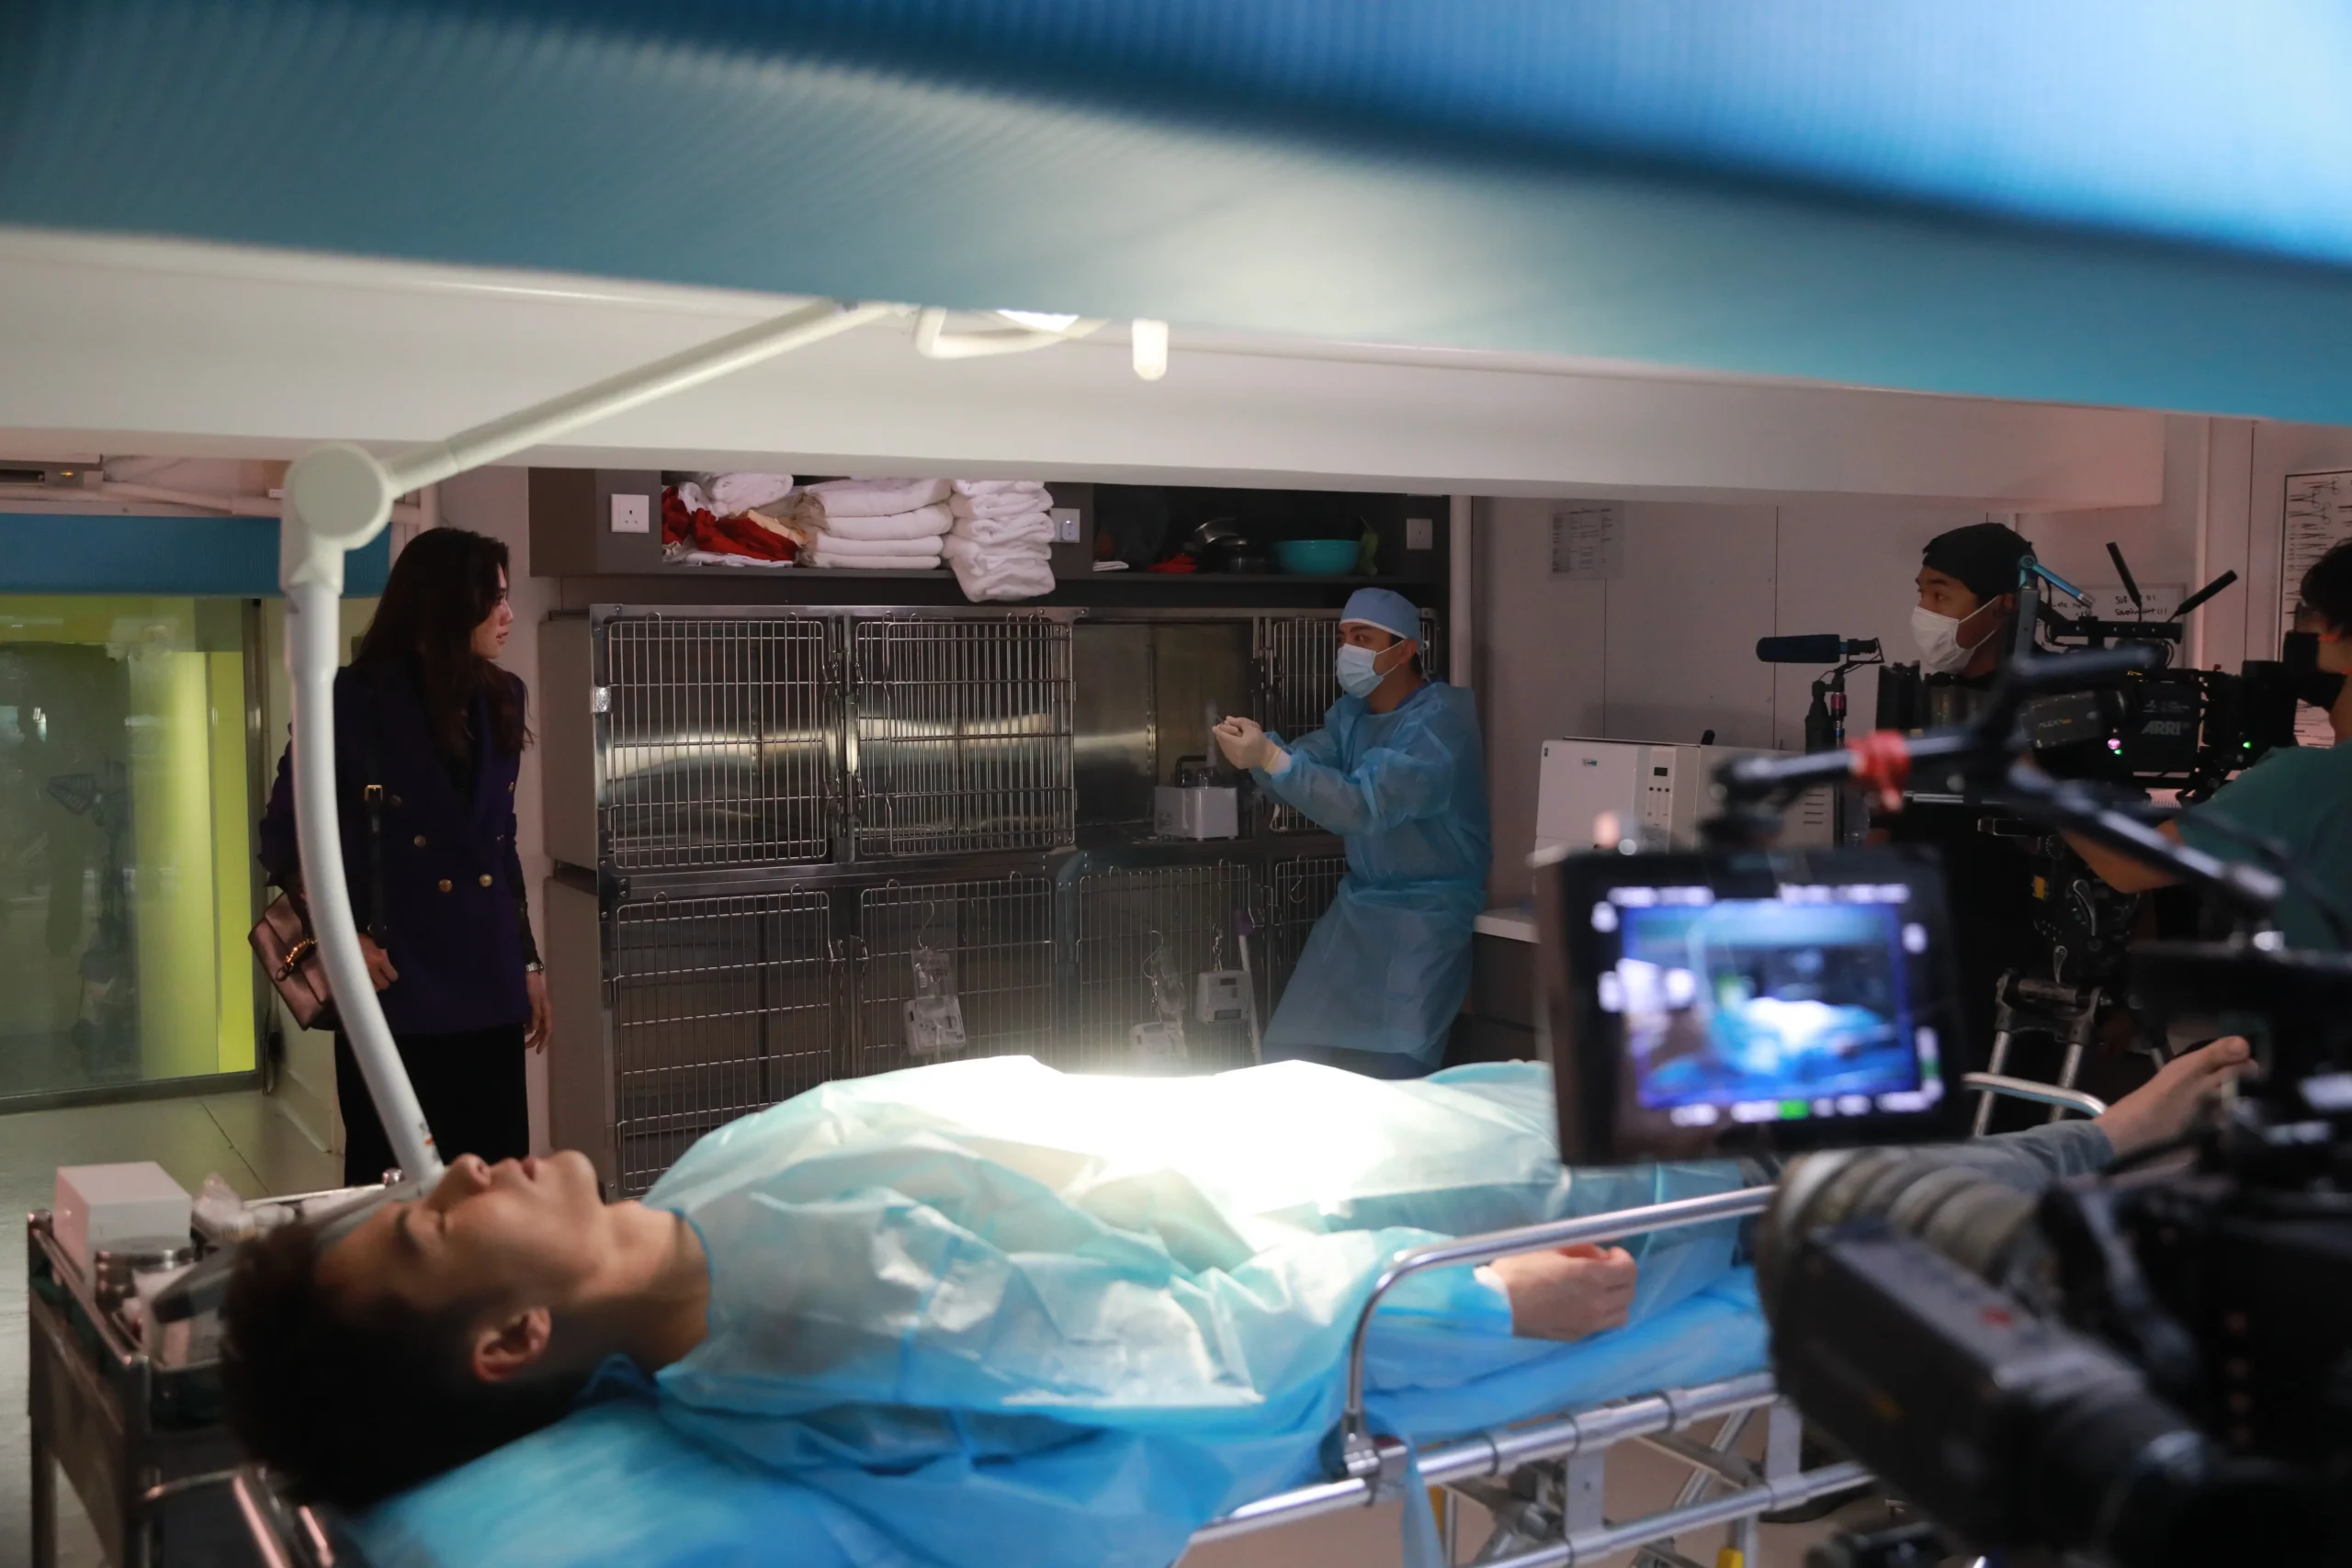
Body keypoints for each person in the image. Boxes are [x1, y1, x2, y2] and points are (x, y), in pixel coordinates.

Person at [218, 1042, 2250, 1519]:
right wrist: (1463, 1308)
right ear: (513, 1335)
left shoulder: (713, 1188)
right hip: (1395, 1248)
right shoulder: (800, 1322)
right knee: (1768, 1206)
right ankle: (2115, 1161)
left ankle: (2101, 1150)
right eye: (430, 1217)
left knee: (1726, 1112)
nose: (458, 1165)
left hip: (1327, 1136)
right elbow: (1162, 1342)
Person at [259, 527, 549, 1186]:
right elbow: (284, 836)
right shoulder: (347, 701)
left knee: (496, 1177)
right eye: (494, 599)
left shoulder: (504, 695)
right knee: (394, 1185)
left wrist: (527, 961)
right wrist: (340, 939)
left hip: (487, 977)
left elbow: (498, 844)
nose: (509, 614)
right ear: (446, 603)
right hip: (393, 984)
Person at [1211, 588, 1489, 1078]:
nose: (1348, 650)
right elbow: (1302, 767)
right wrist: (1261, 753)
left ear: (1405, 649)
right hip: (1357, 912)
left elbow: (1362, 806)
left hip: (1425, 921)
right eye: (1344, 639)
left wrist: (1273, 760)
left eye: (1363, 638)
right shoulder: (1353, 718)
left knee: (1391, 1077)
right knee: (1292, 1059)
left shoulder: (1438, 727)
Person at [2065, 539, 2352, 950]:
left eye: (2307, 614)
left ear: (2338, 633)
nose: (2298, 631)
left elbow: (2125, 868)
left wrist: (2033, 783)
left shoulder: (2304, 782)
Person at [1879, 523, 2045, 1067]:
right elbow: (1891, 825)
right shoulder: (1924, 698)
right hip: (1929, 954)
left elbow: (2117, 838)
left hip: (2021, 965)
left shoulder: (2056, 700)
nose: (1924, 611)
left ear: (2004, 605)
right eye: (1921, 593)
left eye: (1942, 594)